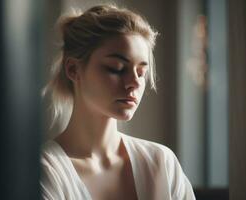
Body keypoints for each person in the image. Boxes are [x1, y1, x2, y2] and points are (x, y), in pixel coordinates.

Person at [40, 4, 195, 200]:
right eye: (117, 68)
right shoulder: (45, 171)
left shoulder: (161, 162)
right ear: (73, 70)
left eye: (141, 72)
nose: (134, 83)